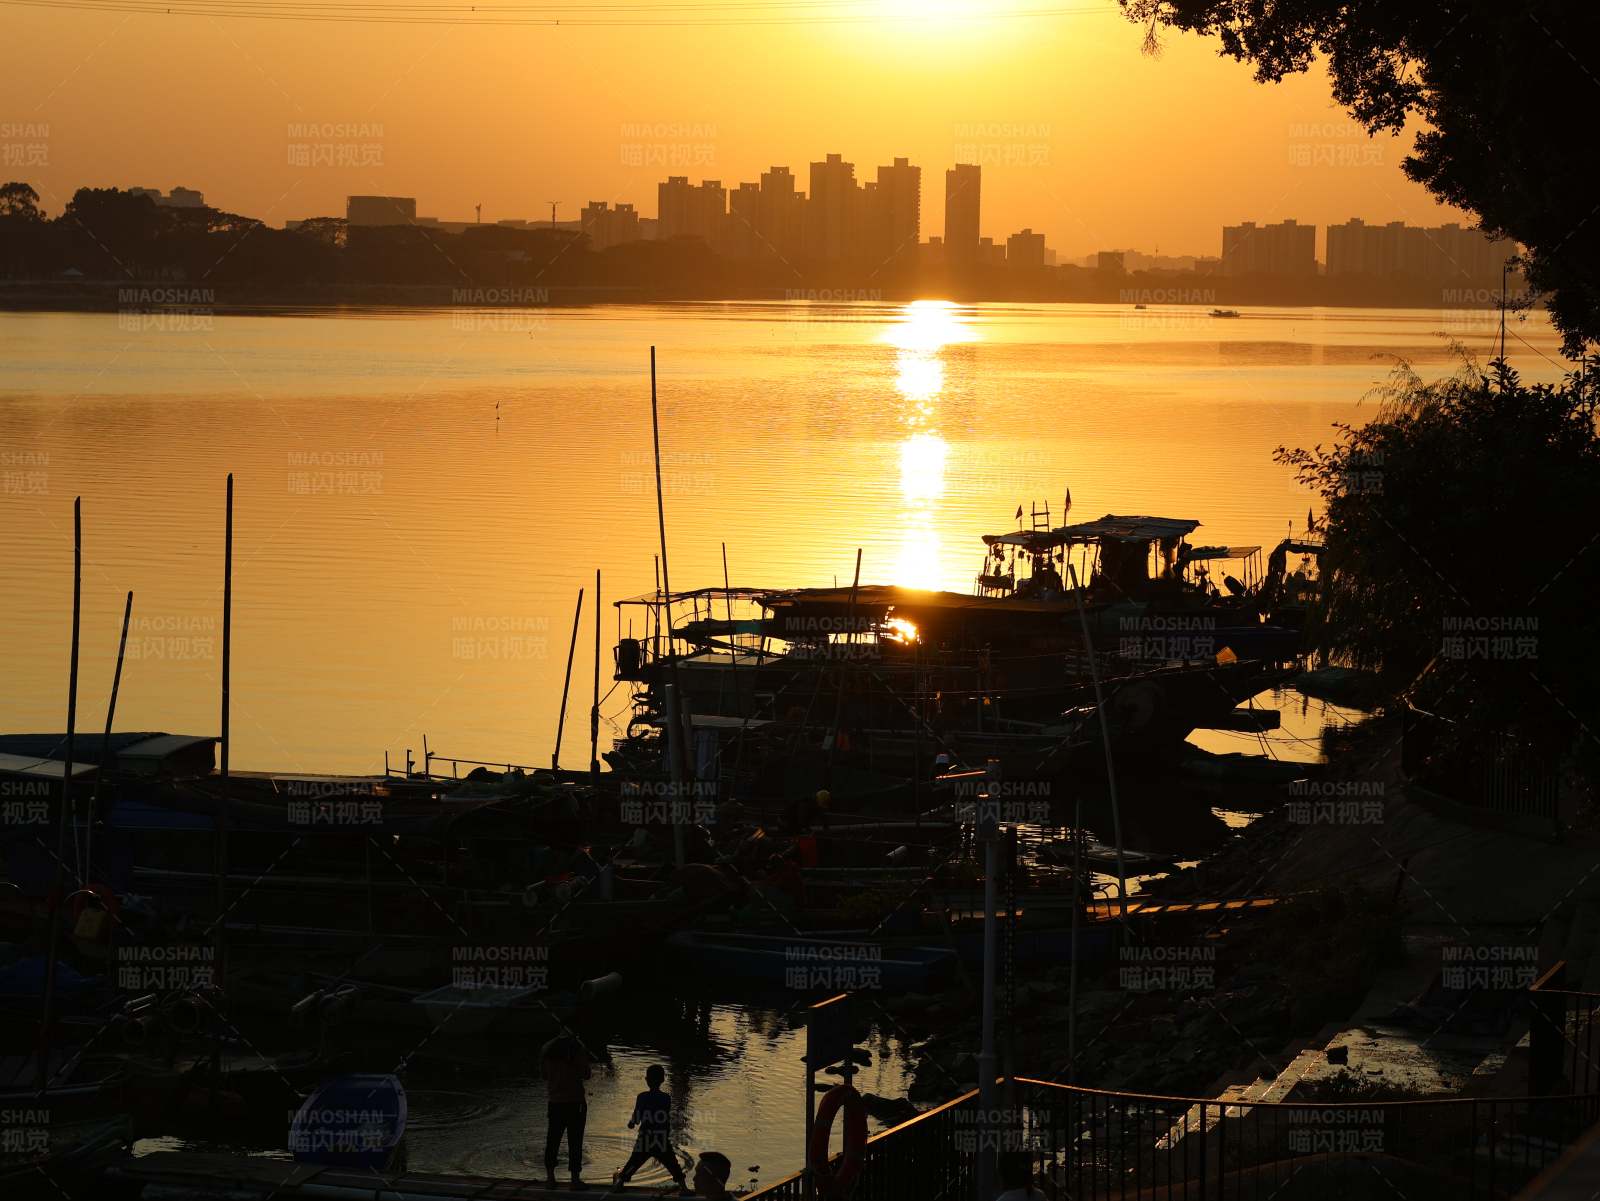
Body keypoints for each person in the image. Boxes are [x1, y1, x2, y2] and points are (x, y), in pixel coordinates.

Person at [615, 1064, 687, 1191]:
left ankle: (619, 1183)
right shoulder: (666, 1098)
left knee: (634, 1162)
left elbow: (637, 1117)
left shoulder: (642, 1097)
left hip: (645, 1138)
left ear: (646, 1080)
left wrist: (632, 1123)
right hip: (660, 1139)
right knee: (672, 1164)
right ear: (663, 1080)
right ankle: (684, 1189)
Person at [540, 1033, 591, 1190]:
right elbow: (586, 1074)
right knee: (575, 1141)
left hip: (555, 1103)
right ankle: (574, 1181)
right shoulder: (577, 1048)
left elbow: (543, 1075)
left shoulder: (547, 1048)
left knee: (552, 1140)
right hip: (575, 1102)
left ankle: (550, 1179)